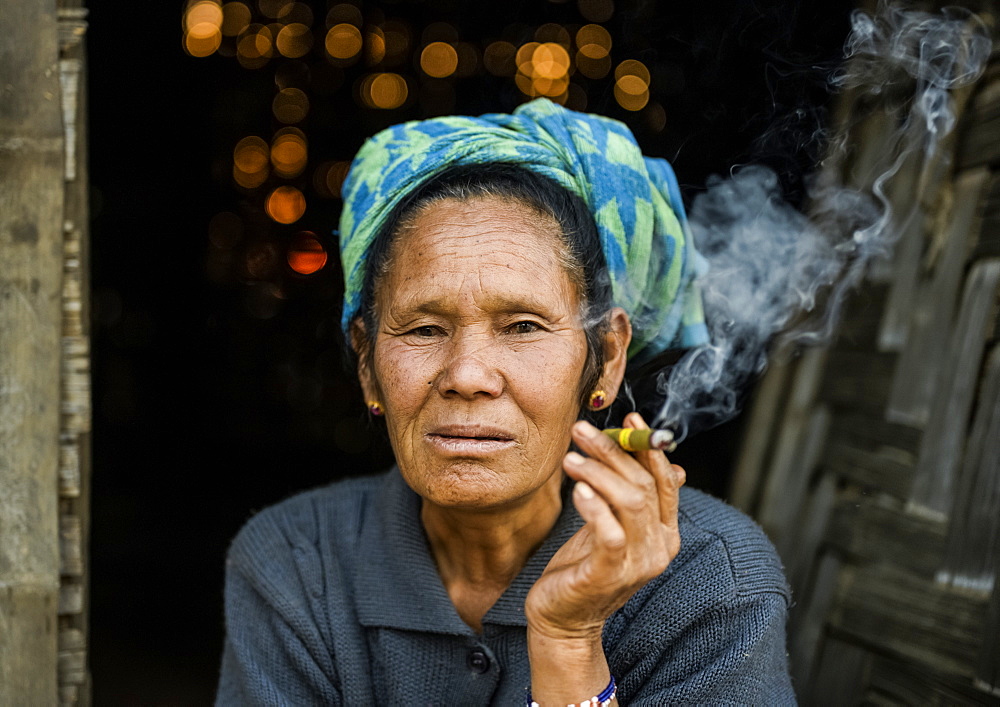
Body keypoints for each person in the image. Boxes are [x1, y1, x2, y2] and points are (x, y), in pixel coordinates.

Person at [216, 98, 795, 705]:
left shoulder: (711, 580)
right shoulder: (295, 562)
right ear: (367, 364)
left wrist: (569, 643)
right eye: (422, 328)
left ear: (607, 356)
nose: (467, 375)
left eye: (522, 326)